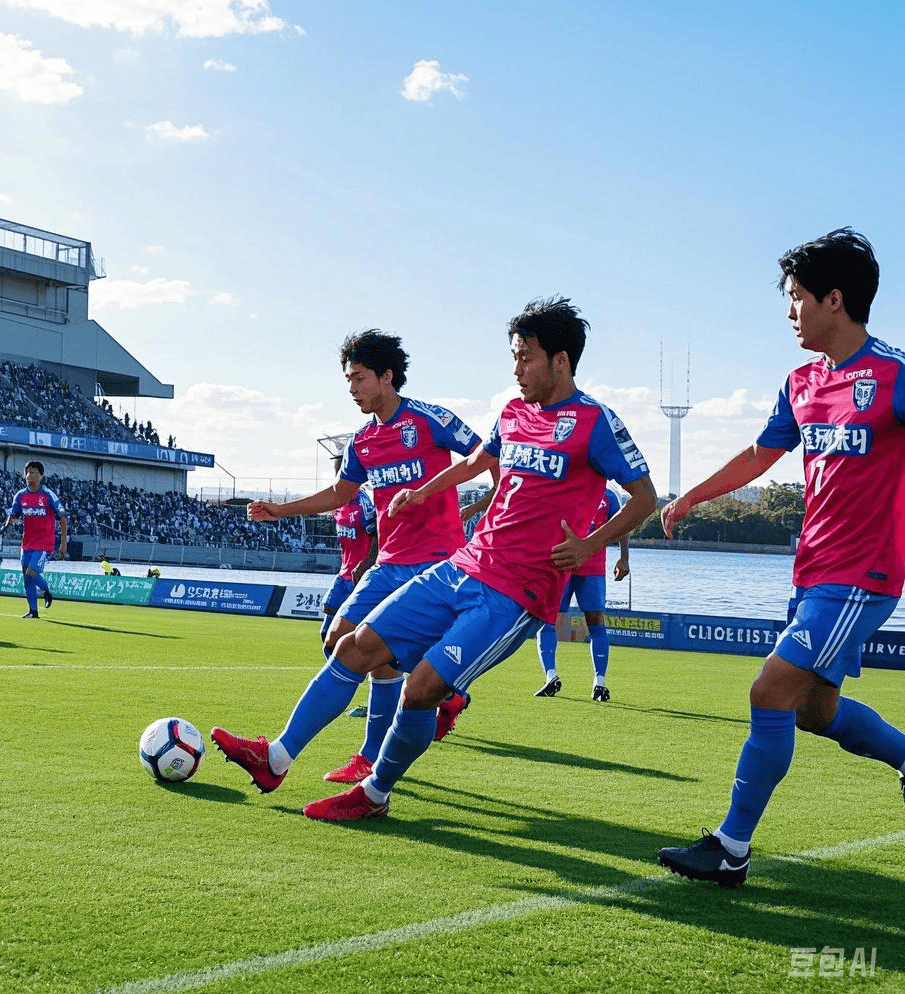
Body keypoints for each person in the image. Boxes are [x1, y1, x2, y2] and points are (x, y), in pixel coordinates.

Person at [214, 296, 657, 819]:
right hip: (462, 566)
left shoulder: (595, 422)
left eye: (526, 358)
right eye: (514, 356)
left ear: (560, 361)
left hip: (519, 592)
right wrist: (425, 490)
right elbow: (476, 461)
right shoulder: (512, 413)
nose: (516, 369)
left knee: (421, 688)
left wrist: (590, 544)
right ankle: (276, 759)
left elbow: (645, 497)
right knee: (355, 646)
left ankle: (374, 793)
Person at [657, 228, 905, 887]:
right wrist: (691, 499)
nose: (789, 311)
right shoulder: (799, 382)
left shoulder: (894, 377)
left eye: (796, 298)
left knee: (769, 689)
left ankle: (731, 848)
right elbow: (761, 455)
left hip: (865, 575)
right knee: (812, 712)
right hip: (812, 572)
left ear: (834, 299)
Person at [237, 329, 494, 785]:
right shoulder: (361, 442)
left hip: (438, 562)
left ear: (386, 376)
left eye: (358, 378)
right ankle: (432, 702)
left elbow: (488, 457)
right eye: (348, 380)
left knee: (377, 654)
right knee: (340, 638)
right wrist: (281, 510)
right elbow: (340, 493)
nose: (352, 389)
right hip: (389, 562)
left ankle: (365, 754)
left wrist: (488, 516)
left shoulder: (431, 420)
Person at [533, 486, 630, 701]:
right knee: (548, 620)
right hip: (561, 565)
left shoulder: (609, 495)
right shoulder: (564, 485)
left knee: (595, 621)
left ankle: (600, 683)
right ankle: (550, 676)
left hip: (592, 567)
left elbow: (622, 524)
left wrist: (624, 558)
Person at [320, 455, 378, 648]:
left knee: (351, 640)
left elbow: (379, 535)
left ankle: (348, 675)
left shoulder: (365, 504)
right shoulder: (337, 504)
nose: (339, 479)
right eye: (336, 474)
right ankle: (343, 675)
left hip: (359, 577)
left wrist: (367, 563)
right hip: (343, 574)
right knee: (326, 634)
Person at [4, 460, 69, 619]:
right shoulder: (20, 495)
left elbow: (62, 517)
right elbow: (14, 514)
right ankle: (33, 611)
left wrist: (63, 543)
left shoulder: (48, 495)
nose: (30, 475)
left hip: (44, 543)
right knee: (26, 576)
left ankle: (46, 590)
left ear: (41, 476)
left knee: (30, 573)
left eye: (34, 472)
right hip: (26, 543)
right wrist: (8, 521)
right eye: (28, 472)